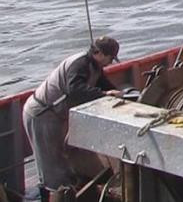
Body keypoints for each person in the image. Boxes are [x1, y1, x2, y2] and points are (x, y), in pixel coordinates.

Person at [22, 37, 122, 198]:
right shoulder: (80, 64)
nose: (110, 62)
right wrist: (104, 95)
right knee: (51, 166)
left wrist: (122, 96)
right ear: (99, 53)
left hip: (58, 115)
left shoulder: (95, 66)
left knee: (64, 159)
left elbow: (105, 85)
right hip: (42, 114)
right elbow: (75, 90)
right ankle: (51, 196)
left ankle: (69, 191)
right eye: (110, 58)